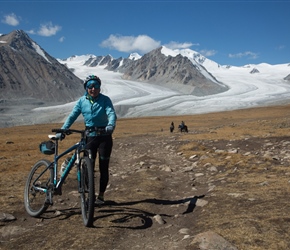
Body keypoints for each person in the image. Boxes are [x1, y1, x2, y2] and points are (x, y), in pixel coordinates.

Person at [59, 75, 117, 205]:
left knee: (103, 167)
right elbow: (73, 115)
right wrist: (64, 129)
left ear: (99, 87)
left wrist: (111, 125)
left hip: (104, 137)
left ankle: (101, 196)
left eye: (96, 86)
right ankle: (88, 194)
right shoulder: (81, 101)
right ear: (86, 88)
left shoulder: (105, 100)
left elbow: (111, 113)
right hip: (89, 136)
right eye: (90, 86)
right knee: (87, 166)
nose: (93, 89)